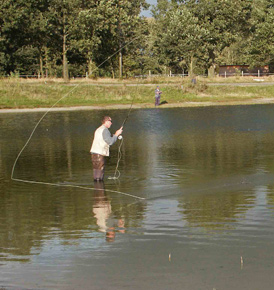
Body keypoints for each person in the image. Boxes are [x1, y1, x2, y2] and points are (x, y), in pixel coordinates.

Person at [90, 116, 123, 181]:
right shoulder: (105, 130)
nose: (111, 123)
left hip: (94, 154)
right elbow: (110, 142)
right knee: (99, 177)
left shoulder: (99, 129)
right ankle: (100, 189)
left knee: (96, 176)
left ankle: (97, 189)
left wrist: (114, 136)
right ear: (107, 121)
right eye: (111, 121)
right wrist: (116, 134)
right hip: (99, 155)